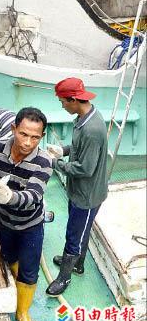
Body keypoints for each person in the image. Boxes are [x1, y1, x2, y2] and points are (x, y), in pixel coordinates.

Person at [0, 107, 53, 321]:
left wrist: (9, 197)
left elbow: (33, 195)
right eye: (23, 134)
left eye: (35, 137)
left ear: (41, 137)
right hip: (1, 222)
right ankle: (16, 275)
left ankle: (23, 312)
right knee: (9, 256)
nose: (27, 142)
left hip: (29, 225)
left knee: (30, 270)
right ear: (14, 128)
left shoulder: (44, 161)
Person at [45, 77, 108, 297]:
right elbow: (79, 148)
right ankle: (78, 264)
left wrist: (55, 163)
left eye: (63, 102)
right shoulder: (84, 117)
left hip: (87, 195)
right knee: (80, 231)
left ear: (74, 100)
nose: (62, 106)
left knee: (75, 235)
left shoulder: (92, 129)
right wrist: (62, 150)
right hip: (79, 191)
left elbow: (85, 169)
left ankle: (65, 276)